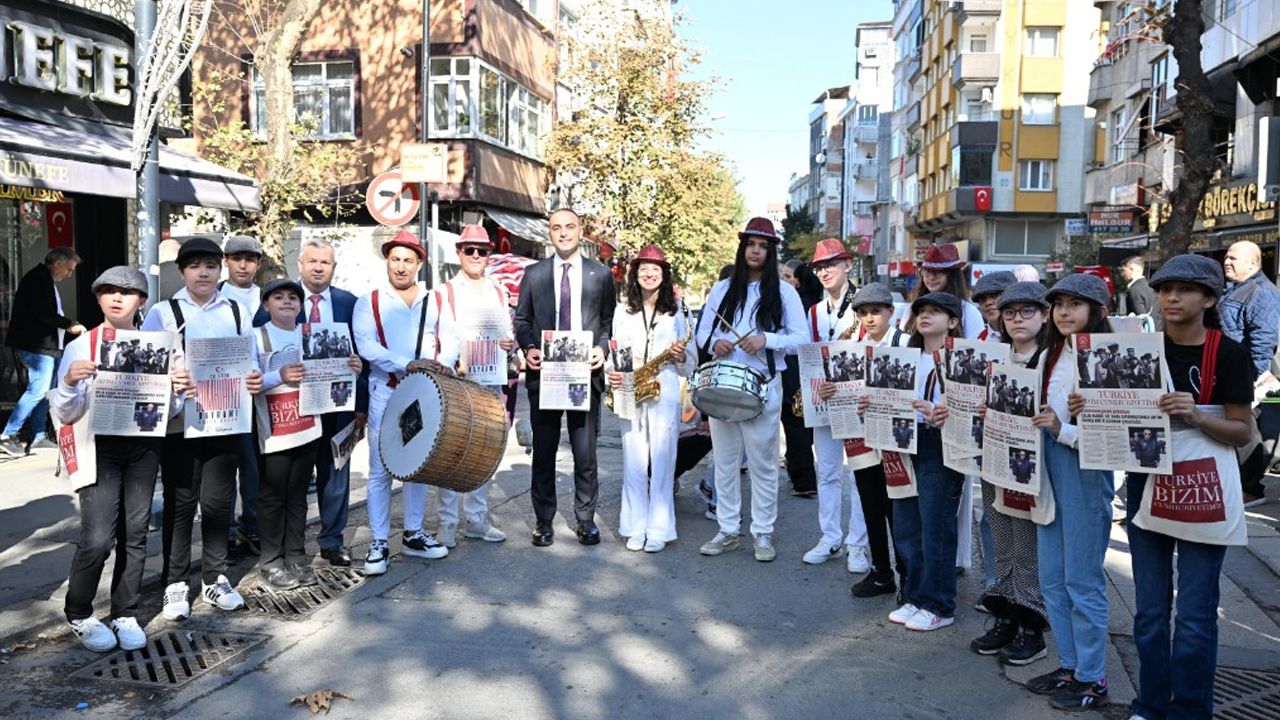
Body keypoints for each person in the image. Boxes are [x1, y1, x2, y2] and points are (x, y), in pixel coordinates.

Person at [1106, 254, 1254, 719]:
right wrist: (1090, 406)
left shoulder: (1228, 353)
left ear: (1209, 299)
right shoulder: (1137, 349)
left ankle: (1189, 710)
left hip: (1201, 484)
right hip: (1145, 482)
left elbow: (1243, 431)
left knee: (1194, 614)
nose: (1172, 297)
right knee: (1149, 611)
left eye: (1185, 290)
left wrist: (1196, 416)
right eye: (1166, 289)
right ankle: (1150, 704)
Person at [52, 267, 190, 652]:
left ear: (141, 301)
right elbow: (64, 412)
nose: (117, 297)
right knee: (98, 537)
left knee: (136, 532)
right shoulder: (82, 346)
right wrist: (69, 382)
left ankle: (125, 611)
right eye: (108, 291)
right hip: (98, 446)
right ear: (98, 298)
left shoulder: (159, 346)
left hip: (144, 446)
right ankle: (79, 611)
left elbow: (170, 411)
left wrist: (178, 390)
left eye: (127, 292)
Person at [141, 237, 264, 620]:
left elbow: (251, 360)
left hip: (225, 420)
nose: (204, 273)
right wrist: (171, 378)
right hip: (180, 424)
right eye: (195, 266)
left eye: (210, 266)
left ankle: (215, 577)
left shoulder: (237, 311)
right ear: (182, 272)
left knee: (218, 504)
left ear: (219, 269)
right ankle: (175, 583)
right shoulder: (163, 312)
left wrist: (254, 377)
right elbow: (146, 366)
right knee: (180, 504)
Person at [1024, 273, 1115, 711]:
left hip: (1085, 469)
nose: (1064, 312)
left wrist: (1065, 430)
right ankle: (1071, 665)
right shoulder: (1049, 353)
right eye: (1059, 304)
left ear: (1098, 311)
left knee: (1082, 578)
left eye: (1075, 304)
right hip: (1047, 466)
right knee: (1052, 577)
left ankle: (1094, 677)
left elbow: (1121, 435)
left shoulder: (1110, 356)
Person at [695, 217, 807, 562]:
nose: (756, 251)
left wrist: (766, 340)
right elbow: (702, 333)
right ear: (742, 248)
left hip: (763, 384)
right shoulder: (722, 289)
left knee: (762, 463)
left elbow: (802, 339)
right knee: (725, 462)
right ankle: (728, 530)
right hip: (723, 383)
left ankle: (762, 532)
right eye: (750, 245)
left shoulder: (784, 292)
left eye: (763, 246)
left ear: (771, 252)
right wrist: (716, 343)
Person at [253, 237, 369, 567]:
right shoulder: (281, 303)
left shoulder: (349, 302)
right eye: (312, 261)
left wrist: (360, 400)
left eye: (325, 262)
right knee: (292, 482)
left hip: (338, 404)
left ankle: (332, 541)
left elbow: (361, 351)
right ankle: (285, 547)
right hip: (294, 408)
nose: (319, 267)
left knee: (336, 473)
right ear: (300, 265)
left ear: (334, 267)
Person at [352, 230, 458, 574]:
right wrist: (405, 363)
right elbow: (366, 345)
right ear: (387, 261)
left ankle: (413, 534)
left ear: (419, 264)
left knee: (417, 464)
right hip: (386, 391)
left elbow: (450, 339)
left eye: (408, 261)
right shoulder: (370, 301)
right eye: (395, 259)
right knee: (380, 469)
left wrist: (445, 363)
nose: (401, 266)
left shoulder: (435, 299)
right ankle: (379, 542)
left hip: (424, 392)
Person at [963, 280, 1054, 664]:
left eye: (1027, 311)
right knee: (1001, 543)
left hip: (1035, 468)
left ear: (1044, 315)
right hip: (995, 460)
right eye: (1010, 312)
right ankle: (1006, 617)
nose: (1017, 319)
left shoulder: (1053, 360)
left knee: (1028, 548)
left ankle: (1032, 627)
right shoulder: (994, 356)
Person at [514, 210, 616, 547]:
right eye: (556, 228)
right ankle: (543, 521)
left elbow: (608, 321)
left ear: (580, 231)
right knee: (543, 452)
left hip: (584, 373)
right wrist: (530, 348)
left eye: (569, 227)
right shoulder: (534, 274)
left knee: (585, 453)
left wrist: (602, 348)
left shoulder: (601, 274)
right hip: (546, 374)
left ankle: (585, 519)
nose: (563, 233)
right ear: (550, 233)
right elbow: (522, 321)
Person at [868, 292, 964, 632]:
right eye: (921, 311)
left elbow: (973, 409)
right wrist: (871, 404)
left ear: (953, 321)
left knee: (936, 526)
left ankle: (939, 604)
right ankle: (915, 595)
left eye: (936, 311)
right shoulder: (904, 356)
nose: (925, 316)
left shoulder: (961, 359)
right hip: (902, 441)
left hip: (939, 443)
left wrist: (940, 412)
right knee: (907, 524)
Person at [607, 245, 694, 553]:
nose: (649, 274)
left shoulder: (677, 312)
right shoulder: (622, 310)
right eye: (643, 268)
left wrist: (682, 357)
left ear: (664, 275)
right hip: (629, 386)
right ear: (635, 274)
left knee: (663, 461)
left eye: (655, 269)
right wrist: (611, 372)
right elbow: (614, 351)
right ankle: (634, 527)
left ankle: (658, 528)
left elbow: (691, 363)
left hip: (664, 390)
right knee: (633, 461)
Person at [435, 225, 512, 547]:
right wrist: (452, 360)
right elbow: (438, 336)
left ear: (489, 254)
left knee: (483, 452)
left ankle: (477, 519)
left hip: (490, 383)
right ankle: (447, 522)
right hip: (458, 382)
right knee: (451, 452)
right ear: (459, 253)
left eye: (482, 251)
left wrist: (509, 344)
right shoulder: (445, 292)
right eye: (470, 250)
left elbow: (507, 333)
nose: (476, 256)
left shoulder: (499, 291)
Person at [801, 239, 872, 571]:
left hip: (856, 402)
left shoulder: (865, 306)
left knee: (860, 475)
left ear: (848, 265)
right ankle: (829, 537)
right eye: (819, 267)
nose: (824, 271)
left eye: (830, 264)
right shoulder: (814, 312)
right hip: (824, 399)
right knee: (827, 471)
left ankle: (857, 544)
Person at [848, 282, 910, 599]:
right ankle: (881, 572)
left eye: (876, 311)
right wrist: (831, 391)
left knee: (898, 510)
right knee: (870, 505)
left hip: (896, 440)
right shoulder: (852, 347)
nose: (869, 318)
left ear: (891, 311)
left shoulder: (906, 343)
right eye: (863, 313)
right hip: (862, 438)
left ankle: (907, 575)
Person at [1, 247, 86, 456]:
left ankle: (39, 435)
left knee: (46, 392)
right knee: (38, 390)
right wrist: (70, 324)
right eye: (69, 269)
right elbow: (43, 313)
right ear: (58, 263)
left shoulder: (43, 279)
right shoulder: (37, 279)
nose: (69, 274)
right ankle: (7, 435)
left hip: (47, 345)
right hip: (37, 346)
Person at [1219, 240, 1280, 506]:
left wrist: (1255, 377)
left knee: (1247, 430)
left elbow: (1263, 339)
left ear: (1253, 263)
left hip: (1247, 372)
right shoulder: (1238, 288)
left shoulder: (1261, 291)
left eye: (1233, 258)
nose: (1227, 262)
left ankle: (1251, 489)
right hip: (1231, 369)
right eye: (1226, 257)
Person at [220, 234, 265, 558]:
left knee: (255, 466)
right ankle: (225, 533)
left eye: (249, 259)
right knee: (223, 469)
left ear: (258, 263)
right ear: (227, 262)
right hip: (221, 394)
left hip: (261, 393)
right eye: (237, 258)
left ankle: (252, 526)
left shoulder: (268, 297)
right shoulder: (214, 297)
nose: (243, 265)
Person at [780, 261, 823, 496]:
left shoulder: (796, 303)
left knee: (795, 425)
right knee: (802, 426)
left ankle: (803, 480)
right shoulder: (816, 303)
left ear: (798, 280)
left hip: (793, 370)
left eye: (788, 276)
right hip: (810, 371)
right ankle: (802, 474)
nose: (784, 280)